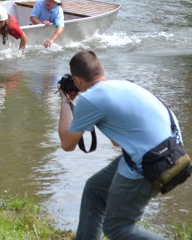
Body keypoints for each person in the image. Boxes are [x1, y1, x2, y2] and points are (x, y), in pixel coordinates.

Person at [58, 50, 178, 240]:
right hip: (173, 154)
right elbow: (117, 142)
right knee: (95, 189)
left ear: (77, 80)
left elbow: (67, 144)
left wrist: (65, 101)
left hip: (149, 163)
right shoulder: (124, 85)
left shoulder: (89, 99)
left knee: (117, 228)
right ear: (102, 70)